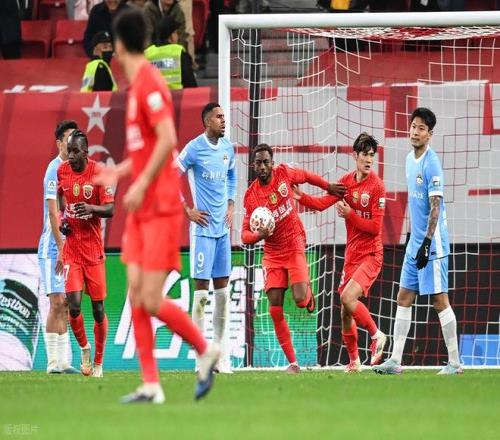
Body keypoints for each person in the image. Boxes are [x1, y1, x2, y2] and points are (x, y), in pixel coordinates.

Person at [95, 8, 219, 403]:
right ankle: (151, 383)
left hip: (160, 205)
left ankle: (204, 348)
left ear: (118, 45)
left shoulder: (149, 83)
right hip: (141, 206)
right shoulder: (135, 88)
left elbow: (168, 139)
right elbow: (145, 150)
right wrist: (119, 172)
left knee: (149, 299)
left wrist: (143, 181)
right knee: (135, 294)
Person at [241, 143, 346, 373]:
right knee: (274, 309)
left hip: (294, 243)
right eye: (258, 162)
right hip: (272, 253)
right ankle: (293, 362)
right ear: (253, 165)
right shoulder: (250, 197)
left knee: (299, 300)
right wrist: (259, 235)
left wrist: (328, 186)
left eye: (266, 162)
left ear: (272, 163)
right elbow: (244, 235)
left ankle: (308, 297)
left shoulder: (284, 173)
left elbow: (306, 176)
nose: (262, 166)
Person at [373, 107, 462, 375]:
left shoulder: (431, 163)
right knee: (403, 297)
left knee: (439, 300)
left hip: (432, 244)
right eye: (413, 126)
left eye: (421, 128)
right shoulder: (409, 160)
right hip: (416, 242)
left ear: (429, 134)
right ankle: (395, 361)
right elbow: (417, 207)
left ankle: (455, 363)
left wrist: (426, 242)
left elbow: (435, 206)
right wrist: (414, 238)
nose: (415, 132)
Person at [292, 132, 387, 372]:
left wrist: (350, 215)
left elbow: (375, 228)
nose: (369, 160)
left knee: (347, 298)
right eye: (365, 154)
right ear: (355, 156)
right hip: (352, 255)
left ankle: (377, 335)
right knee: (345, 311)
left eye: (372, 155)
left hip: (371, 254)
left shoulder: (377, 186)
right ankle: (354, 361)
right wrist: (301, 196)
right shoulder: (346, 182)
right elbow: (322, 204)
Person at [178, 103, 235, 374]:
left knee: (223, 295)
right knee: (201, 294)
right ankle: (201, 357)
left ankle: (220, 356)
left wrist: (231, 203)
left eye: (224, 116)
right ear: (207, 122)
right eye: (219, 117)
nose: (224, 120)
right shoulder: (194, 148)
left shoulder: (228, 148)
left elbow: (232, 175)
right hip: (202, 232)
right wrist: (187, 210)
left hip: (223, 232)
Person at [58, 129, 115, 378]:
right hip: (72, 249)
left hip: (93, 251)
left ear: (85, 152)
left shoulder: (99, 173)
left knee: (98, 309)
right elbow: (61, 197)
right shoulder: (62, 171)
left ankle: (99, 362)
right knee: (73, 306)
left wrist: (91, 208)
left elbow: (110, 209)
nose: (70, 156)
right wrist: (63, 219)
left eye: (74, 151)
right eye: (68, 151)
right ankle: (84, 348)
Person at [38, 120, 80, 375]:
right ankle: (53, 363)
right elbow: (54, 214)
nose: (73, 143)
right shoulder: (53, 170)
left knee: (66, 303)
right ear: (59, 143)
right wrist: (61, 247)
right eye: (68, 138)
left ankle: (63, 362)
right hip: (52, 248)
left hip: (69, 246)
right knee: (56, 302)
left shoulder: (75, 169)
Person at [145, 15, 197, 89]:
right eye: (176, 32)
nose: (177, 36)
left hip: (154, 95)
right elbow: (191, 85)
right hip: (177, 95)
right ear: (171, 36)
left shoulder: (147, 54)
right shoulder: (179, 53)